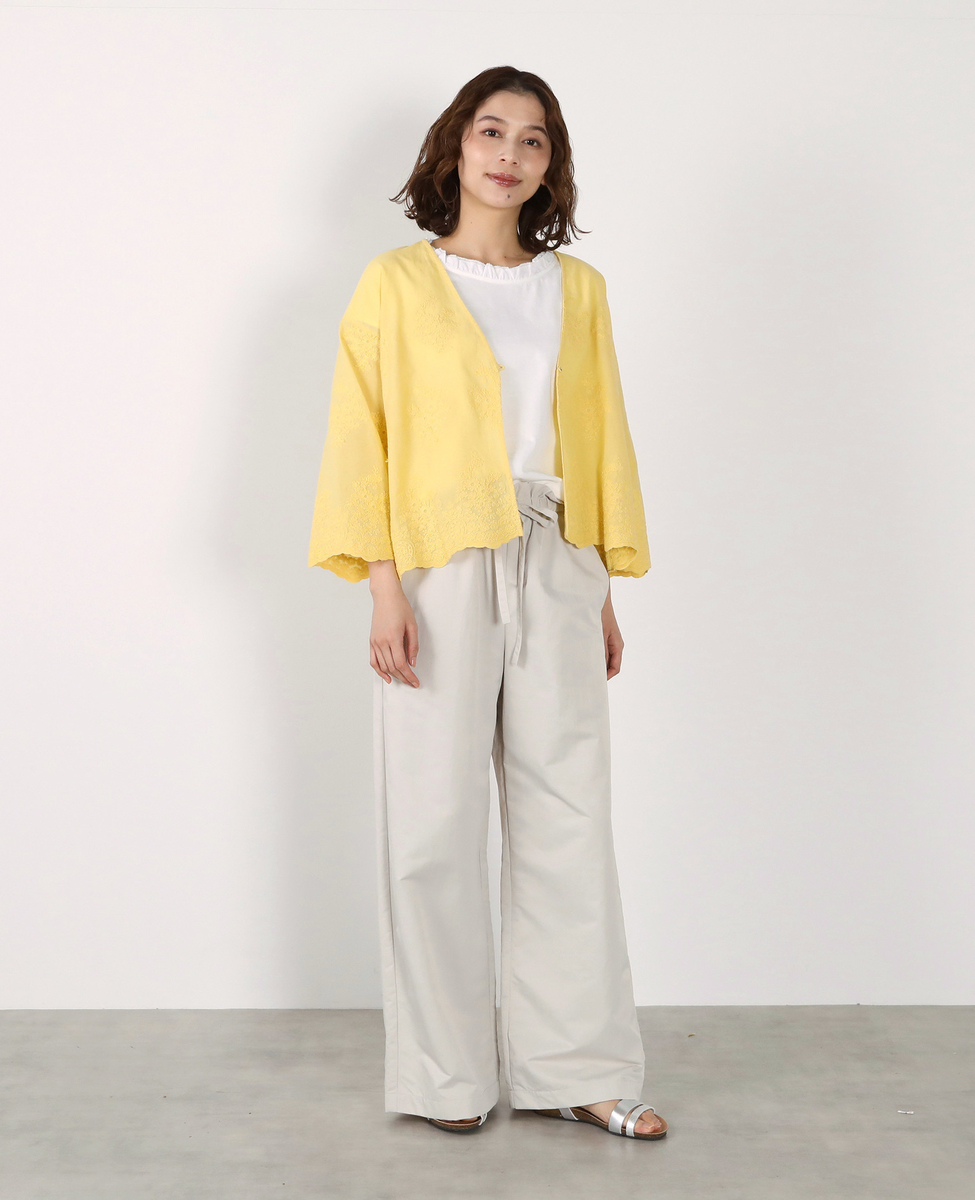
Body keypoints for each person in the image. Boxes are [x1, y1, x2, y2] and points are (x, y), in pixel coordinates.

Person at [308, 65, 667, 1142]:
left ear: (551, 166)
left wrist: (597, 587)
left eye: (534, 140)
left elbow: (598, 436)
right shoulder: (393, 284)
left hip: (556, 555)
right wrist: (383, 586)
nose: (510, 154)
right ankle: (444, 1078)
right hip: (435, 565)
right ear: (454, 146)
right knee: (431, 822)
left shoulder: (576, 290)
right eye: (491, 131)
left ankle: (578, 1069)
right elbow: (361, 437)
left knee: (569, 816)